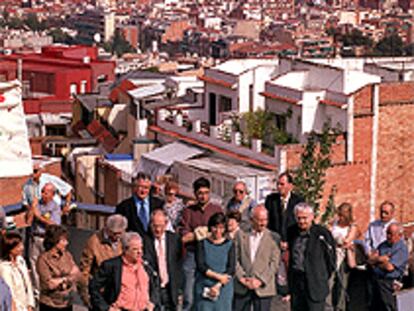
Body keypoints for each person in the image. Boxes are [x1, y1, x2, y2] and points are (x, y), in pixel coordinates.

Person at [178, 177, 222, 311]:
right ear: (195, 194)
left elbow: (221, 233)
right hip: (192, 255)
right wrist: (200, 234)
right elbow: (184, 237)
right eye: (200, 193)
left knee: (208, 296)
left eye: (206, 192)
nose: (203, 196)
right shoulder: (188, 211)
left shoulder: (216, 210)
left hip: (211, 256)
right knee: (189, 297)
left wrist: (200, 234)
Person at [286, 203, 336, 311]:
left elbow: (331, 261)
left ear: (312, 217)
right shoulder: (291, 231)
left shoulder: (322, 234)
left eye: (305, 218)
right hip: (297, 283)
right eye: (299, 218)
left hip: (315, 284)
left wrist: (320, 276)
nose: (302, 221)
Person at [89, 232, 155, 311]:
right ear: (125, 250)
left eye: (141, 248)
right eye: (135, 249)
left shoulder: (146, 266)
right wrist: (106, 308)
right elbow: (93, 287)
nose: (139, 252)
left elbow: (155, 285)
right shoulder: (111, 266)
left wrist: (152, 302)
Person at [234, 205, 280, 311]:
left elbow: (274, 264)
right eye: (259, 220)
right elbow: (234, 259)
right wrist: (242, 278)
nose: (262, 223)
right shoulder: (240, 235)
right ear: (251, 220)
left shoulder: (274, 238)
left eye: (265, 220)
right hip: (242, 287)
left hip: (263, 288)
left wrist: (260, 281)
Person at [79, 215, 127, 307]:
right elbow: (84, 271)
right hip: (102, 294)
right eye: (115, 233)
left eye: (120, 233)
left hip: (120, 293)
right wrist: (86, 297)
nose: (118, 237)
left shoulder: (124, 239)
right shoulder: (94, 242)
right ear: (108, 229)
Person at [194, 212, 235, 311]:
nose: (218, 231)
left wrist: (218, 285)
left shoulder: (230, 245)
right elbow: (201, 265)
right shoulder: (201, 243)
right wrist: (218, 276)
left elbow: (231, 268)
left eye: (221, 228)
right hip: (204, 286)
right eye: (215, 227)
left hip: (223, 288)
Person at [143, 209, 183, 310]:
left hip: (171, 288)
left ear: (166, 224)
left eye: (161, 226)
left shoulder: (175, 239)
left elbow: (178, 263)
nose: (158, 230)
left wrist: (179, 288)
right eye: (155, 226)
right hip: (153, 289)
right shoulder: (144, 241)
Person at [36, 225, 80, 311]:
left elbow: (77, 273)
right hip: (50, 304)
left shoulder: (67, 255)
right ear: (54, 241)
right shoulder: (43, 259)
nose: (67, 243)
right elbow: (49, 284)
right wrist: (68, 278)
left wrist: (61, 280)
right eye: (63, 240)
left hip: (67, 302)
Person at [367, 223, 408, 311]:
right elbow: (370, 260)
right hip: (376, 280)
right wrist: (381, 259)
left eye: (391, 234)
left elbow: (389, 267)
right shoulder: (383, 245)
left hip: (389, 283)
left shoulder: (401, 249)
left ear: (399, 235)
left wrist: (377, 262)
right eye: (387, 233)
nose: (388, 236)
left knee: (388, 308)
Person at [30, 183, 62, 292]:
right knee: (34, 264)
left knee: (47, 265)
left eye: (46, 192)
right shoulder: (37, 204)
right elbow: (28, 219)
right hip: (35, 237)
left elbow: (54, 225)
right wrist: (32, 208)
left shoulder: (55, 207)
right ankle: (37, 290)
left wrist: (38, 216)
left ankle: (47, 289)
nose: (43, 194)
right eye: (42, 191)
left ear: (52, 195)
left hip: (46, 239)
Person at [329, 203, 360, 311]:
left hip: (344, 257)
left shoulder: (352, 226)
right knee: (330, 281)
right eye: (339, 215)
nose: (340, 218)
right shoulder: (334, 223)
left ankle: (340, 307)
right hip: (333, 255)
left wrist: (340, 241)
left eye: (342, 216)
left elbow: (347, 241)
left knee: (342, 283)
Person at [115, 172, 164, 238]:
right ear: (134, 187)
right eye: (140, 187)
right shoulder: (123, 207)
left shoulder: (159, 204)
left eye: (146, 187)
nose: (143, 191)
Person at [0, 232, 35, 311]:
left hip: (26, 305)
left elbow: (28, 284)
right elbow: (10, 293)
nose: (22, 248)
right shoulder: (4, 268)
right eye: (18, 246)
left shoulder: (21, 261)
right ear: (10, 249)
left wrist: (30, 304)